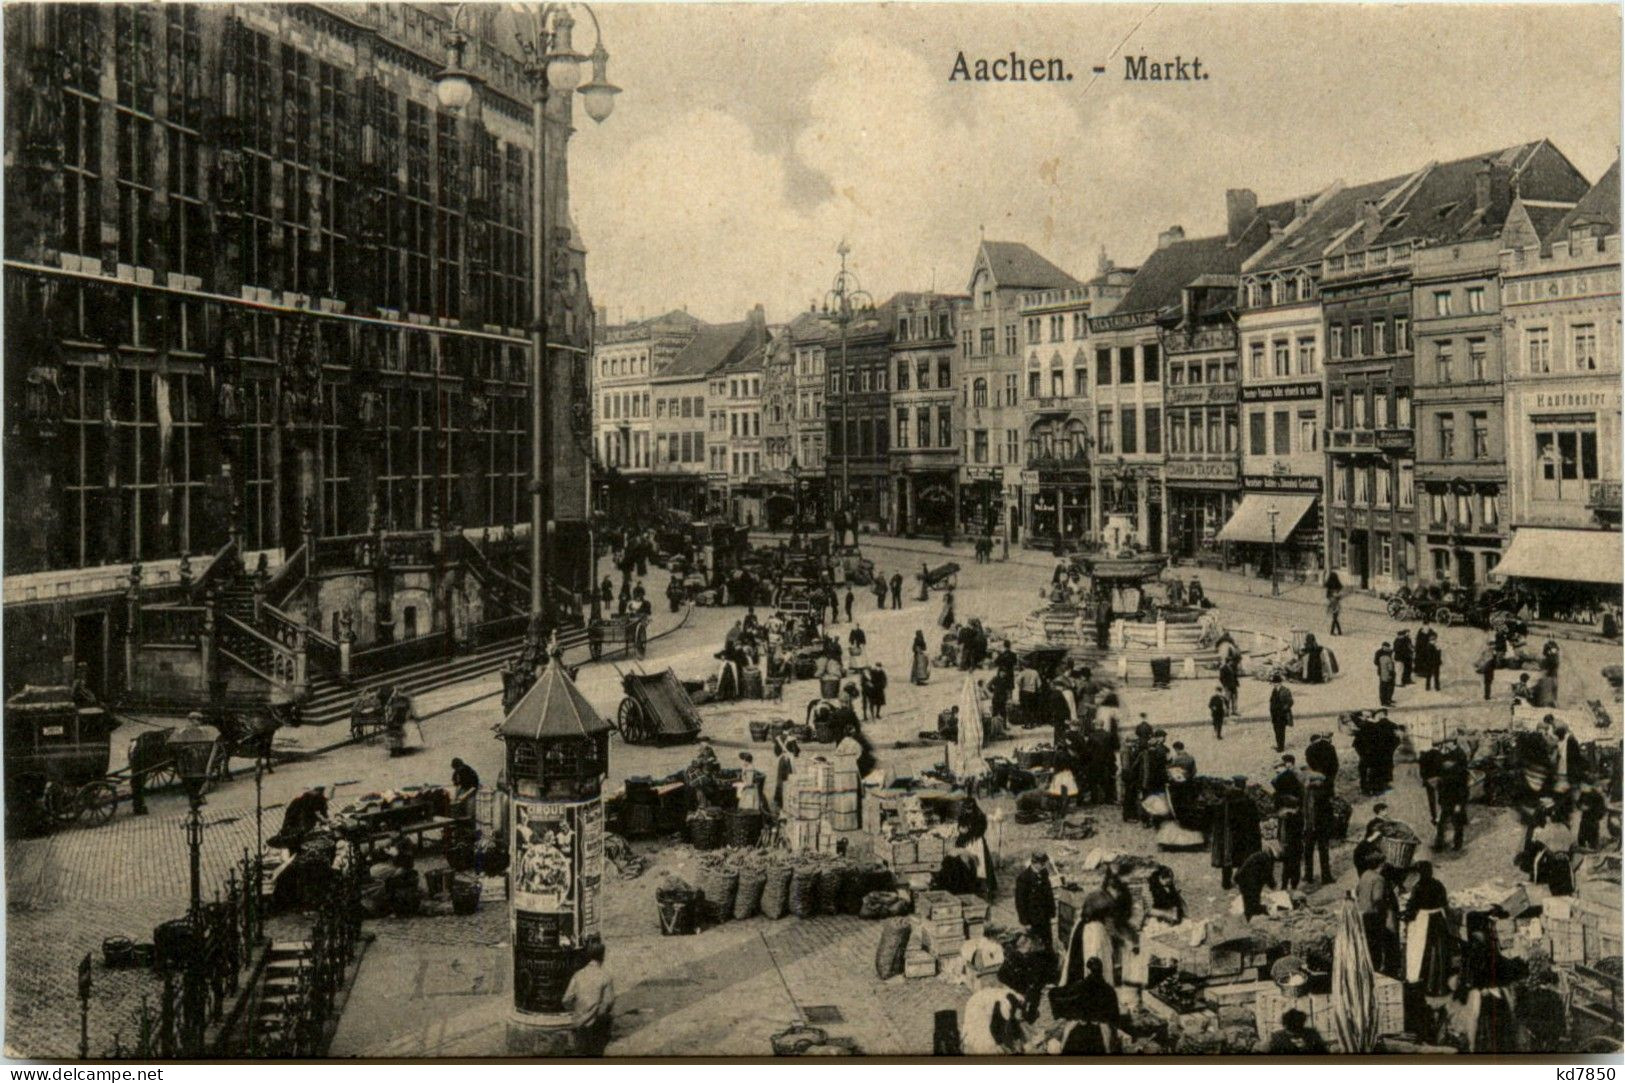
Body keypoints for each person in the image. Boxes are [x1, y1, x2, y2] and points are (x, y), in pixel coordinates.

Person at [1404, 861, 1453, 996]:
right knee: (1439, 952)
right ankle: (1441, 985)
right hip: (1438, 918)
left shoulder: (1418, 887)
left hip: (1424, 920)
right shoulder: (1439, 885)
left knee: (1423, 951)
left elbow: (1413, 906)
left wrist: (1406, 916)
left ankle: (1427, 985)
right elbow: (1444, 902)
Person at [561, 937, 615, 1056]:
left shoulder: (578, 975)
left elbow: (566, 999)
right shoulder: (605, 976)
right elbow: (609, 1002)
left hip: (579, 1023)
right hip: (596, 1025)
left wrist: (577, 1010)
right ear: (602, 957)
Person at [1211, 777, 1262, 890]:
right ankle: (1242, 879)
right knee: (1243, 856)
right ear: (1243, 786)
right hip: (1244, 834)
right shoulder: (1248, 800)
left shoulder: (1225, 800)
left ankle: (1226, 883)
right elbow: (1255, 819)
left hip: (1228, 833)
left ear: (1234, 784)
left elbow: (1217, 816)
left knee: (1227, 857)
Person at [1355, 848, 1400, 977]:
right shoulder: (1379, 879)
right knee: (1377, 947)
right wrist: (1387, 910)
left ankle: (1369, 971)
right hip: (1374, 916)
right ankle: (1377, 972)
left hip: (1363, 914)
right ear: (1379, 864)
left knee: (1368, 945)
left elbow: (1357, 891)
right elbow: (1378, 898)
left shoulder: (1365, 874)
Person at [1015, 852, 1057, 948]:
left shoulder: (1044, 875)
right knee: (1035, 947)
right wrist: (1025, 922)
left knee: (1047, 944)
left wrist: (1052, 912)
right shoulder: (1024, 878)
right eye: (1042, 864)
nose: (1044, 866)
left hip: (1045, 918)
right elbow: (1020, 903)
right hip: (1032, 920)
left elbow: (1049, 895)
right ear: (1035, 863)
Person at [1433, 746, 1470, 851]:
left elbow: (1463, 789)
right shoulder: (1444, 773)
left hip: (1457, 800)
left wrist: (1460, 804)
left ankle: (1457, 844)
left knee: (1457, 823)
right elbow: (1441, 787)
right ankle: (1439, 844)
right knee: (1441, 823)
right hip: (1446, 800)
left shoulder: (1460, 774)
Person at [1302, 770, 1335, 885]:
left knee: (1308, 852)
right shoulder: (1323, 794)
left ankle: (1308, 876)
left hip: (1309, 826)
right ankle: (1326, 877)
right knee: (1323, 852)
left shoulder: (1306, 793)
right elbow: (1329, 812)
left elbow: (1304, 811)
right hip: (1321, 827)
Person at [1235, 843, 1278, 919]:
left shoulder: (1260, 856)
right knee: (1252, 903)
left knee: (1249, 902)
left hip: (1243, 879)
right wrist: (1273, 886)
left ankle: (1250, 917)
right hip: (1248, 881)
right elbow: (1268, 875)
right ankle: (1253, 917)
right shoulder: (1266, 860)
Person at [1275, 795, 1304, 891]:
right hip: (1294, 845)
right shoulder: (1296, 816)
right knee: (1295, 867)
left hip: (1286, 845)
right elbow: (1299, 831)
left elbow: (1280, 832)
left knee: (1286, 867)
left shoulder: (1283, 817)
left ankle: (1284, 886)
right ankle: (1293, 887)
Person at [1268, 676, 1295, 753]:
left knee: (1281, 731)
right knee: (1276, 730)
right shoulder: (1274, 690)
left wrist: (1284, 709)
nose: (1274, 684)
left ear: (1279, 683)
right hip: (1275, 714)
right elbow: (1272, 701)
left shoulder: (1286, 690)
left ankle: (1281, 747)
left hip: (1282, 715)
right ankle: (1279, 745)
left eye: (1274, 683)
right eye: (1273, 683)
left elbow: (1290, 702)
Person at [1475, 636, 1499, 700]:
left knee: (1487, 683)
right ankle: (1487, 696)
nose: (1493, 646)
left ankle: (1487, 696)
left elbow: (1481, 658)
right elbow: (1494, 662)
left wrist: (1477, 664)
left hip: (1486, 668)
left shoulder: (1486, 651)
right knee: (1488, 683)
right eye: (1492, 644)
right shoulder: (1493, 652)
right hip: (1489, 668)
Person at [1374, 642, 1396, 707]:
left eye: (1389, 647)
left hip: (1390, 671)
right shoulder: (1379, 652)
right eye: (1387, 647)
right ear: (1383, 647)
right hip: (1383, 671)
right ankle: (1384, 701)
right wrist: (1383, 665)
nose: (1388, 648)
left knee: (1391, 686)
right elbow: (1375, 662)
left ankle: (1389, 698)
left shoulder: (1390, 651)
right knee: (1384, 687)